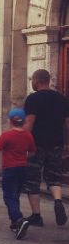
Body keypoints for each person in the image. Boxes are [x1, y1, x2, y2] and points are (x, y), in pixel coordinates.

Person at [0, 108, 36, 240]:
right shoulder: (28, 135)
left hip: (10, 169)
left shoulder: (7, 135)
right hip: (23, 169)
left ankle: (19, 219)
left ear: (11, 121)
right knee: (15, 195)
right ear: (23, 121)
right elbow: (32, 152)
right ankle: (15, 223)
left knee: (8, 197)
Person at [23, 69, 69, 227]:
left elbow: (29, 122)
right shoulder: (62, 99)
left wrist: (23, 144)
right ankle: (57, 201)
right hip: (56, 143)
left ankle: (36, 215)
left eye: (32, 80)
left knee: (32, 179)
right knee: (54, 176)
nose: (32, 82)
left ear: (36, 80)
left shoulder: (33, 99)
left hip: (36, 145)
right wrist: (65, 144)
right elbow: (67, 124)